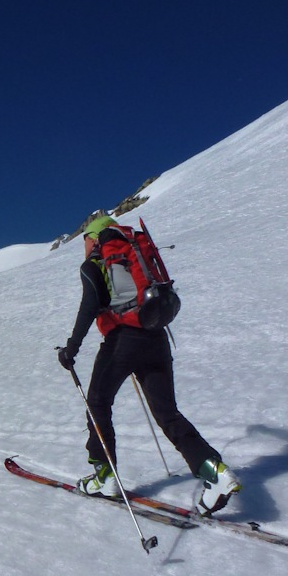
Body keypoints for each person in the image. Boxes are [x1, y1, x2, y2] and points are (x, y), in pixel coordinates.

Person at [57, 215, 241, 515]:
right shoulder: (133, 255)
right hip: (156, 336)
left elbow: (89, 305)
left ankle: (105, 477)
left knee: (97, 403)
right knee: (167, 413)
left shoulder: (95, 263)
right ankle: (215, 472)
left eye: (85, 239)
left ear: (93, 238)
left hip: (122, 342)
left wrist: (71, 348)